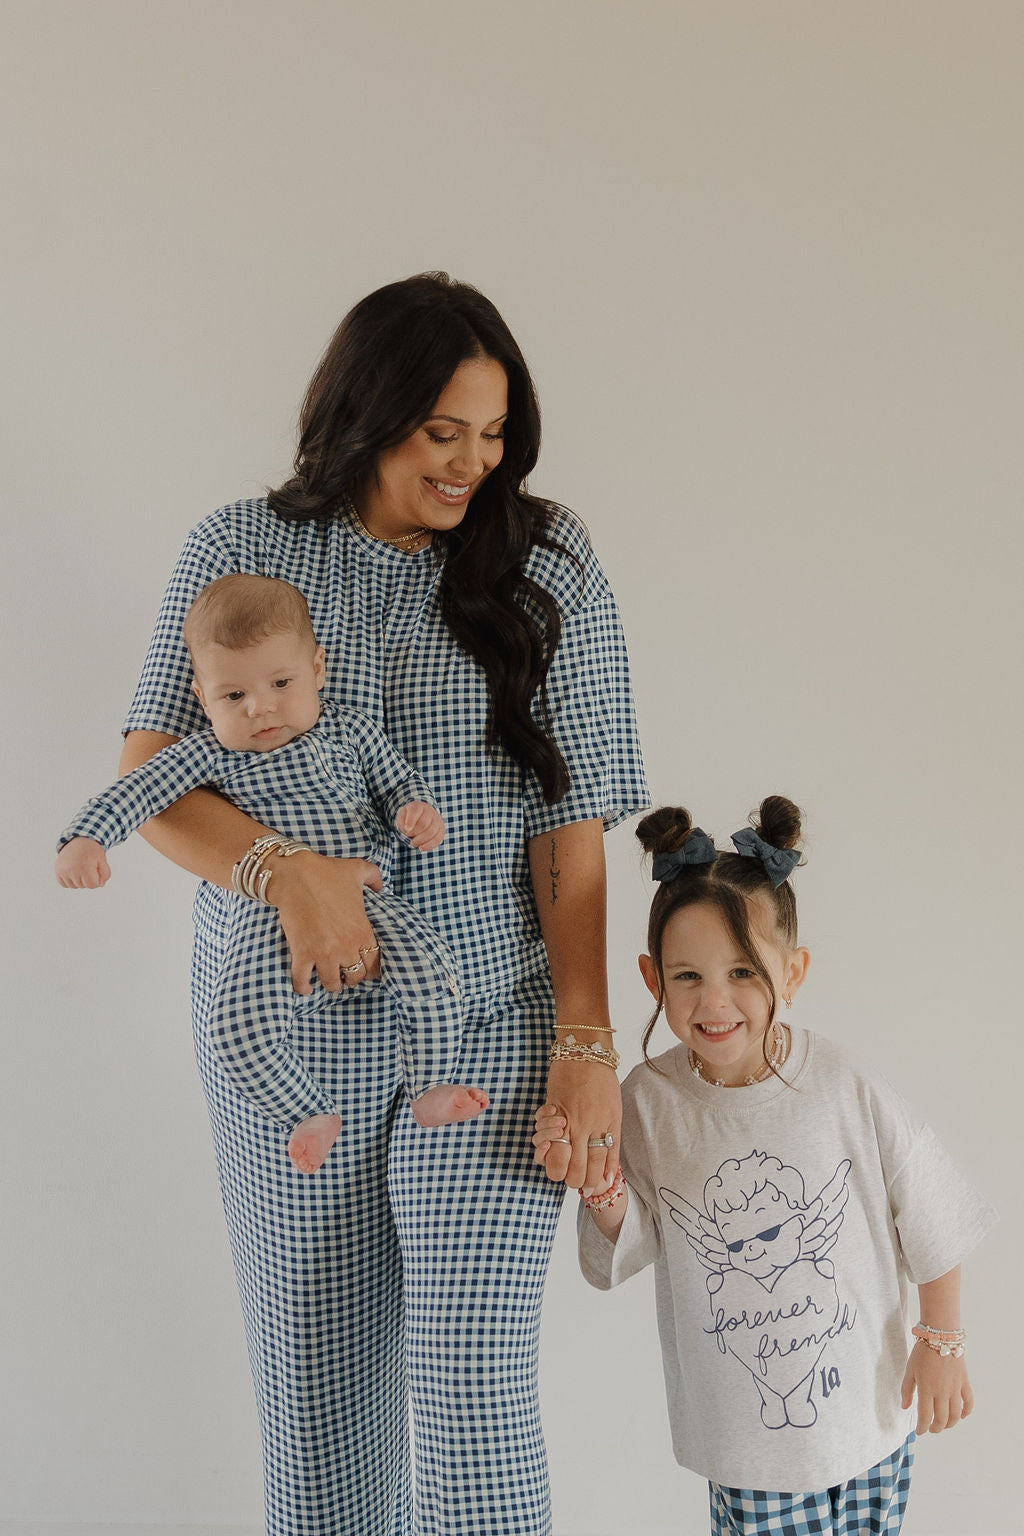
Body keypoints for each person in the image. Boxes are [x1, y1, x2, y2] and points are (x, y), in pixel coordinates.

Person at [115, 272, 648, 1536]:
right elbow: (150, 777)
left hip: (488, 1015)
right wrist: (281, 872)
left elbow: (573, 820)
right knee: (318, 1404)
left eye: (494, 433)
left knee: (471, 1401)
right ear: (367, 412)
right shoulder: (239, 551)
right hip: (287, 1040)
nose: (472, 464)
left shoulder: (546, 556)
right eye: (440, 433)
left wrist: (587, 1041)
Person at [535, 797, 996, 1536]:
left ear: (794, 969)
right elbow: (635, 1238)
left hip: (873, 1419)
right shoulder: (649, 1103)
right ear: (653, 980)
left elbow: (933, 1212)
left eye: (743, 972)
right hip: (750, 1450)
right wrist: (604, 1188)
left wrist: (941, 1342)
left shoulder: (845, 1086)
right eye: (688, 977)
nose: (715, 1002)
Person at [57, 573, 489, 1173]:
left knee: (435, 973)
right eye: (232, 696)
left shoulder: (352, 731)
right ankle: (305, 1112)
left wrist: (416, 812)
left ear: (318, 669)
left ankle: (431, 1088)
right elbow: (140, 789)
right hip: (265, 918)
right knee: (233, 1030)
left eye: (280, 683)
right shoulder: (209, 751)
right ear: (203, 700)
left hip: (363, 897)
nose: (259, 706)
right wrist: (87, 837)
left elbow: (397, 784)